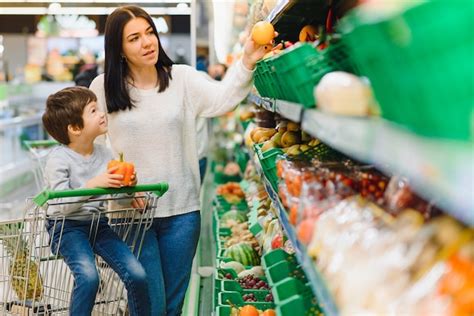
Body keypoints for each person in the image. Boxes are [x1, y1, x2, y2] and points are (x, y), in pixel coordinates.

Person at [89, 5, 277, 315]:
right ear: (119, 49)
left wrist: (246, 61)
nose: (147, 42)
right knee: (151, 305)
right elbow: (94, 150)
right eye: (134, 38)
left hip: (182, 213)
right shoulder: (103, 88)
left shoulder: (182, 79)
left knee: (172, 307)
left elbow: (223, 99)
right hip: (130, 216)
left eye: (149, 32)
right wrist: (120, 184)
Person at [42, 86, 151, 316]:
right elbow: (59, 205)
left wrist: (129, 187)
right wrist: (94, 185)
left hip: (98, 224)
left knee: (137, 274)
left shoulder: (105, 154)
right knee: (89, 276)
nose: (102, 113)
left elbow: (118, 199)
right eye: (93, 111)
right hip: (67, 228)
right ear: (74, 128)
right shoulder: (58, 159)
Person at [196, 63, 228, 184]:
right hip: (197, 152)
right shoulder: (200, 76)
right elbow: (225, 91)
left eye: (218, 72)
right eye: (216, 70)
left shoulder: (201, 77)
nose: (216, 73)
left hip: (198, 150)